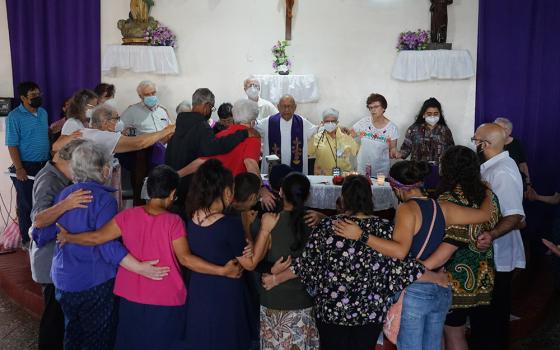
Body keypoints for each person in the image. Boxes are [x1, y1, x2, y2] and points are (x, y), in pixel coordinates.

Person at [56, 165, 244, 349]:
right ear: (172, 194)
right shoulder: (174, 222)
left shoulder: (127, 216)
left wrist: (69, 237)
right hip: (165, 298)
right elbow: (186, 259)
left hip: (130, 296)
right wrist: (222, 270)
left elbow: (96, 237)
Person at [334, 160, 494, 350]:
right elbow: (485, 214)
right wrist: (488, 191)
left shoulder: (406, 209)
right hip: (440, 288)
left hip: (415, 290)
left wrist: (361, 235)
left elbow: (400, 251)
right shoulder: (443, 207)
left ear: (395, 187)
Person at [269, 175, 428, 350]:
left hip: (331, 311)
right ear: (370, 198)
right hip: (370, 312)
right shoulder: (385, 229)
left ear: (343, 198)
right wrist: (437, 276)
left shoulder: (327, 227)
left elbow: (306, 265)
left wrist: (275, 279)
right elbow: (405, 266)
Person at [48, 141, 169, 349]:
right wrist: (140, 268)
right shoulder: (104, 199)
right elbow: (106, 244)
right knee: (97, 338)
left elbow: (46, 231)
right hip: (92, 281)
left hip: (63, 279)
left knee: (73, 333)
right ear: (104, 169)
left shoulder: (64, 194)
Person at [184, 159, 279, 350]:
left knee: (204, 339)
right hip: (225, 292)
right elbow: (250, 263)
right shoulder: (228, 224)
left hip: (200, 289)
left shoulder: (193, 217)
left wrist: (244, 227)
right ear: (226, 191)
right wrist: (265, 230)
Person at [419, 146, 501, 350]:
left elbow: (446, 241)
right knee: (458, 331)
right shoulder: (488, 195)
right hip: (482, 272)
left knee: (451, 333)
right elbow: (493, 224)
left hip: (453, 275)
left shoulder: (448, 199)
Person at [29, 139, 91, 350]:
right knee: (53, 320)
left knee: (59, 318)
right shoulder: (49, 179)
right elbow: (38, 219)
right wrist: (67, 204)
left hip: (60, 259)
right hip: (49, 260)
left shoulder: (63, 177)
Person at [474, 123, 525, 350]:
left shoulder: (501, 171)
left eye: (475, 140)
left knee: (492, 317)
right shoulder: (495, 165)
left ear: (484, 144)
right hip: (492, 253)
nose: (473, 144)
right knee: (488, 316)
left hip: (498, 253)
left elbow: (514, 216)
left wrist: (491, 234)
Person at [165, 88, 258, 213]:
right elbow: (213, 149)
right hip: (196, 187)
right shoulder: (202, 126)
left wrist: (176, 174)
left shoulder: (181, 124)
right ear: (206, 106)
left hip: (178, 184)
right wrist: (244, 133)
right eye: (212, 108)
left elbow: (203, 157)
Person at [254, 173, 320, 350]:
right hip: (303, 301)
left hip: (273, 299)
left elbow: (253, 260)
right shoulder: (315, 223)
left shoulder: (269, 222)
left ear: (280, 192)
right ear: (306, 196)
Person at [5, 81, 50, 247]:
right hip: (26, 167)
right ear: (23, 98)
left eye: (38, 94)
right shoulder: (14, 117)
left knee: (44, 202)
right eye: (33, 96)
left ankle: (43, 237)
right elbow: (12, 144)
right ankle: (26, 240)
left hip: (44, 164)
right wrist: (19, 168)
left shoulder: (43, 113)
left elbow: (44, 134)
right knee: (26, 204)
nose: (37, 98)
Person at [256, 94, 318, 175]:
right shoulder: (268, 122)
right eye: (283, 106)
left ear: (295, 107)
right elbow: (254, 127)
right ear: (278, 107)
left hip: (296, 168)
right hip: (273, 169)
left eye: (289, 106)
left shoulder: (302, 122)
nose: (286, 109)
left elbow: (315, 130)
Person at [204, 99, 261, 176]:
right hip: (240, 185)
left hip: (219, 184)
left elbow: (203, 161)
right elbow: (250, 164)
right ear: (253, 121)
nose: (226, 123)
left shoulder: (218, 136)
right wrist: (261, 186)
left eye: (228, 120)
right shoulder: (253, 136)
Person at [350, 93, 399, 177]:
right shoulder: (364, 122)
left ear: (383, 108)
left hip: (381, 171)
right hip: (362, 167)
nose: (373, 110)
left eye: (376, 107)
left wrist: (394, 152)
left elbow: (393, 148)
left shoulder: (392, 128)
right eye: (370, 107)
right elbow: (350, 135)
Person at [309, 108, 358, 175]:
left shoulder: (346, 137)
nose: (330, 123)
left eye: (333, 121)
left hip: (343, 176)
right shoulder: (317, 138)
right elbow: (307, 154)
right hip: (322, 178)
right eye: (327, 121)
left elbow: (356, 152)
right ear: (323, 123)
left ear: (337, 122)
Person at [494, 117, 531, 191]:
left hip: (514, 182)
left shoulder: (516, 144)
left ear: (510, 131)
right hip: (495, 182)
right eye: (499, 127)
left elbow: (523, 165)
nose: (502, 130)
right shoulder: (490, 143)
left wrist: (528, 184)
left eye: (505, 128)